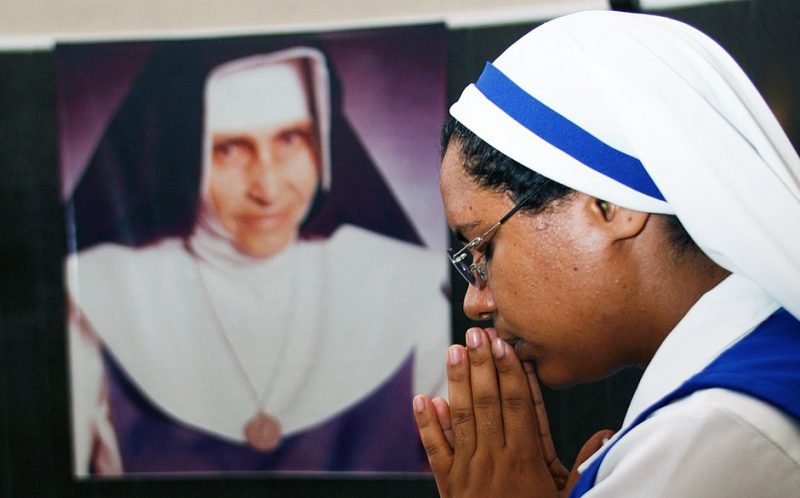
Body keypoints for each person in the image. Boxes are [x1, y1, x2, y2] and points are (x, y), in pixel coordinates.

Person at [413, 10, 799, 497]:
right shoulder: (762, 372)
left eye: (484, 247)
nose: (476, 302)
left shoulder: (713, 435)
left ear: (609, 205)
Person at [66, 42, 449, 475]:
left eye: (290, 139)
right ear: (182, 155)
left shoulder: (404, 290)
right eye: (230, 149)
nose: (267, 187)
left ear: (321, 142)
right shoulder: (100, 298)